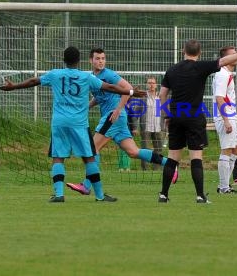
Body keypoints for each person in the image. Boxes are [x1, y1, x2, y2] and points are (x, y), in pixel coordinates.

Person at [0, 46, 145, 202]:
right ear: (79, 61)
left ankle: (59, 195)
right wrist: (130, 92)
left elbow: (34, 80)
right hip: (79, 123)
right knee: (89, 157)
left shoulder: (55, 74)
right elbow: (109, 87)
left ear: (64, 60)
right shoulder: (86, 77)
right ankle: (100, 196)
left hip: (59, 122)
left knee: (58, 157)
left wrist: (13, 87)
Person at [158, 39, 237, 204]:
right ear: (200, 53)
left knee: (172, 157)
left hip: (176, 115)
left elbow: (162, 95)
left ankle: (163, 195)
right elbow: (225, 60)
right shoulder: (201, 66)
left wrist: (167, 115)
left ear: (184, 50)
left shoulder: (172, 69)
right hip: (194, 116)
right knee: (196, 157)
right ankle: (199, 196)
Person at [66, 48, 175, 196]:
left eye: (103, 58)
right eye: (98, 58)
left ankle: (86, 185)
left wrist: (118, 109)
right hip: (116, 118)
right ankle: (169, 164)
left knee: (92, 149)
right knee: (133, 152)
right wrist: (86, 107)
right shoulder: (93, 77)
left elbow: (128, 89)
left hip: (113, 117)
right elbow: (100, 97)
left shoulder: (108, 74)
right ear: (90, 61)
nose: (101, 61)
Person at [212, 46, 237, 194]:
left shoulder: (227, 74)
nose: (236, 56)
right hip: (226, 116)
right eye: (233, 54)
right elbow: (219, 98)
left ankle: (224, 185)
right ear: (226, 59)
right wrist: (225, 119)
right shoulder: (222, 74)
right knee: (226, 150)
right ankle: (223, 187)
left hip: (232, 115)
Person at [139, 76, 165, 171]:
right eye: (149, 83)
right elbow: (135, 113)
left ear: (156, 85)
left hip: (158, 127)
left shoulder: (161, 97)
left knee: (158, 149)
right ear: (146, 85)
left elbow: (166, 112)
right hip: (146, 127)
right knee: (145, 149)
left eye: (153, 83)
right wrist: (134, 127)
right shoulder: (142, 97)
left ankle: (156, 169)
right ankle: (144, 169)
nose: (151, 85)